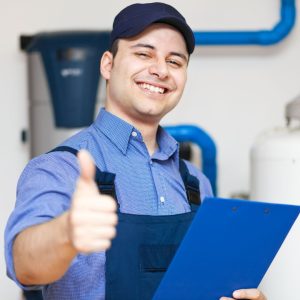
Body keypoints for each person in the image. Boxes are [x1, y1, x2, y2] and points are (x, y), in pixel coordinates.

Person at [5, 2, 266, 300]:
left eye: (175, 61)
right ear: (108, 64)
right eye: (144, 54)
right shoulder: (60, 168)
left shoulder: (196, 183)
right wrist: (66, 232)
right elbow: (23, 265)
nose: (160, 70)